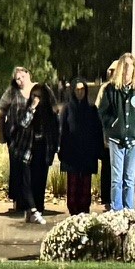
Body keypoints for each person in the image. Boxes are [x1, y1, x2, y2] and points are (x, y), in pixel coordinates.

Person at [96, 55, 135, 214]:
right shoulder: (111, 89)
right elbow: (103, 112)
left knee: (129, 178)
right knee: (116, 178)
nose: (128, 68)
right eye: (125, 65)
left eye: (131, 65)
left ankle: (129, 210)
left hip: (134, 140)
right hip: (116, 139)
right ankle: (117, 209)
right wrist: (112, 124)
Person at [0, 67, 52, 223]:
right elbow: (1, 113)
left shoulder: (40, 89)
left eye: (22, 76)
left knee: (36, 173)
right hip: (18, 138)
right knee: (21, 173)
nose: (20, 80)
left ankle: (35, 207)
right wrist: (2, 134)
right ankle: (27, 206)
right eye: (17, 78)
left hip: (38, 139)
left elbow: (52, 111)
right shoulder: (12, 92)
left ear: (29, 74)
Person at [57, 78, 105, 215]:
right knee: (72, 186)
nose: (80, 92)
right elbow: (62, 131)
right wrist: (61, 150)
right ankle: (73, 212)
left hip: (87, 153)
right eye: (77, 89)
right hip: (71, 152)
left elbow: (97, 130)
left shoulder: (91, 109)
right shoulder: (66, 109)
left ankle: (84, 212)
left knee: (85, 186)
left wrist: (99, 151)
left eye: (82, 89)